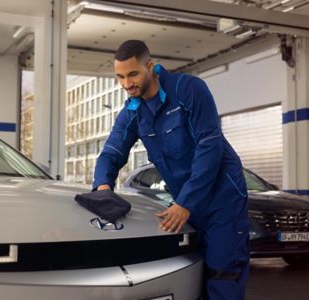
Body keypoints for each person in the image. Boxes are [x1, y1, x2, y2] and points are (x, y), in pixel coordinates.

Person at [93, 40, 249, 299]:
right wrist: (102, 187)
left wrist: (186, 202)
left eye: (133, 74)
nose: (126, 84)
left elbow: (209, 147)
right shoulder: (133, 110)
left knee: (223, 271)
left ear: (150, 67)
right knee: (193, 273)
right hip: (186, 204)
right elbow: (112, 151)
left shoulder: (188, 89)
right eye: (120, 77)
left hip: (223, 198)